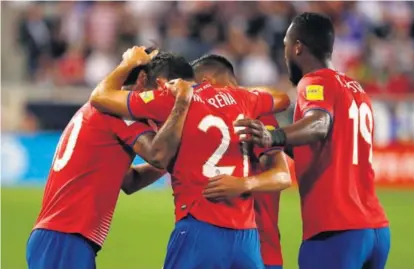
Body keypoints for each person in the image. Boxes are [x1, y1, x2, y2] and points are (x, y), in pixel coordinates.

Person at [89, 47, 291, 269]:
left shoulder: (173, 98)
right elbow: (282, 98)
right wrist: (231, 96)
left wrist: (127, 63)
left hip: (200, 225)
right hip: (246, 237)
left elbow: (100, 97)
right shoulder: (245, 99)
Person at [235, 12, 390, 269]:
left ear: (297, 47)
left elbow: (319, 124)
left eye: (286, 45)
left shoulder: (314, 81)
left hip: (336, 230)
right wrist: (276, 144)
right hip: (375, 229)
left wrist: (274, 135)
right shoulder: (355, 88)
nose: (285, 54)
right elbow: (326, 145)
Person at [26, 48, 194, 269]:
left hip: (63, 237)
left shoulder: (105, 110)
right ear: (143, 80)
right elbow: (157, 154)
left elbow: (131, 181)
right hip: (65, 236)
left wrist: (169, 162)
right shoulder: (119, 113)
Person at [191, 54, 293, 269]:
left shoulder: (255, 115)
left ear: (206, 82)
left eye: (198, 86)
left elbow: (283, 175)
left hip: (259, 251)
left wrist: (243, 184)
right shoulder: (203, 120)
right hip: (213, 246)